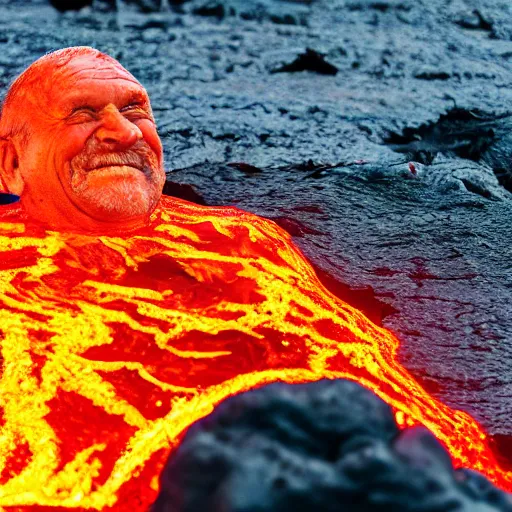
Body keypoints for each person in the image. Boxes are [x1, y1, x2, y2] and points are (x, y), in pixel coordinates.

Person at [0, 47, 507, 510]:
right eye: (83, 114)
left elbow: (374, 376)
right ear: (12, 163)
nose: (125, 132)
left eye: (134, 111)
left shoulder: (246, 240)